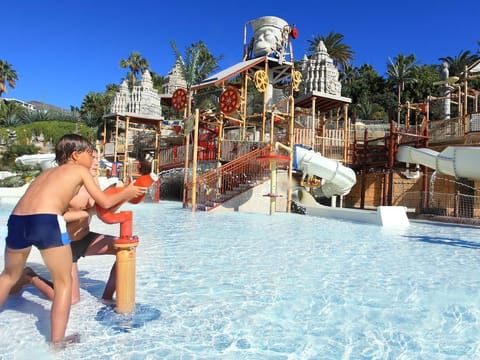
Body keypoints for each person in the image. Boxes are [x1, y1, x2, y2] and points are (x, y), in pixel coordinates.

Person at [0, 134, 146, 349]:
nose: (93, 158)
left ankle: (23, 280)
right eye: (90, 154)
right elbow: (105, 201)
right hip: (47, 220)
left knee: (8, 275)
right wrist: (128, 192)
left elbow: (99, 207)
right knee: (63, 284)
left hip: (17, 219)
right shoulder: (79, 170)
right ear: (76, 155)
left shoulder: (47, 174)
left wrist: (121, 195)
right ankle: (58, 341)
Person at [11, 149, 119, 304]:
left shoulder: (93, 181)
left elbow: (101, 212)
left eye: (98, 158)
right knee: (71, 300)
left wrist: (121, 198)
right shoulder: (65, 184)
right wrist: (88, 213)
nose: (96, 162)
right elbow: (57, 217)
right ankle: (30, 277)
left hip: (85, 238)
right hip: (65, 244)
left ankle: (107, 298)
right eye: (93, 158)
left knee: (124, 249)